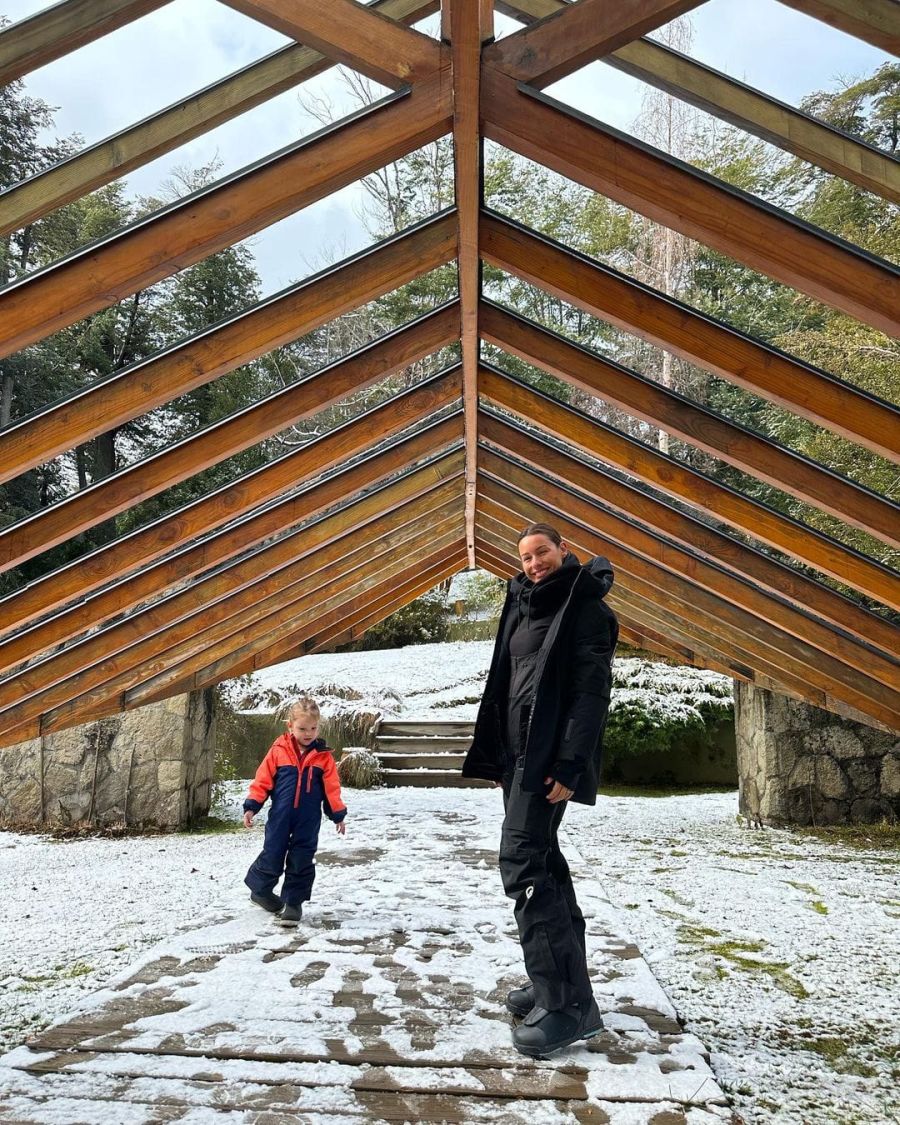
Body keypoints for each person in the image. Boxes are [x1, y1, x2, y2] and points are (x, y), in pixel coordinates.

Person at [462, 522, 618, 1057]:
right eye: (526, 557)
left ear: (564, 550)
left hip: (549, 765)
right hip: (518, 762)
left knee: (524, 864)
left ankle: (566, 1006)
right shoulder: (524, 603)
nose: (534, 564)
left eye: (542, 553)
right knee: (544, 864)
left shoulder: (586, 608)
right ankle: (562, 984)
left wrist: (570, 766)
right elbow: (507, 682)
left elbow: (589, 694)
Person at [242, 696, 346, 926]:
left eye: (313, 728)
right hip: (280, 816)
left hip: (307, 819)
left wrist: (338, 814)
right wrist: (251, 807)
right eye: (302, 728)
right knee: (273, 854)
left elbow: (331, 788)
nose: (308, 733)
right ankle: (260, 891)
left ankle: (293, 903)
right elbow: (262, 781)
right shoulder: (278, 751)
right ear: (290, 726)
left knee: (302, 858)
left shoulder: (323, 757)